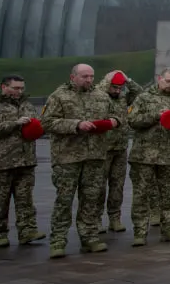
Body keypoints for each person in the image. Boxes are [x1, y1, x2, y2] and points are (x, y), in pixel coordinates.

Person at [42, 63, 119, 258]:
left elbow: (117, 115)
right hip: (68, 157)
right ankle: (58, 240)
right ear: (73, 77)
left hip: (95, 156)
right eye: (85, 76)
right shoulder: (58, 96)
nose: (89, 80)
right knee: (64, 200)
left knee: (91, 199)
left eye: (92, 76)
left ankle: (90, 237)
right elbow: (47, 122)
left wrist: (113, 121)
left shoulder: (101, 96)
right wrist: (76, 125)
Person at [127, 68, 170, 245]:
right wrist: (155, 116)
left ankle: (169, 229)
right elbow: (132, 121)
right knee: (141, 194)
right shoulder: (143, 98)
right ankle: (140, 232)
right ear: (159, 79)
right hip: (143, 156)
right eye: (168, 81)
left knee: (168, 194)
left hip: (169, 156)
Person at [0, 74, 45, 248]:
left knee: (26, 200)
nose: (19, 91)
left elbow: (37, 124)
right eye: (15, 88)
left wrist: (37, 128)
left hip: (25, 160)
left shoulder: (27, 105)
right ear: (4, 87)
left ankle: (27, 231)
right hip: (1, 163)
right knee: (1, 201)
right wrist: (15, 123)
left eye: (22, 88)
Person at [96, 70, 139, 234]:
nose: (117, 91)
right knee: (98, 186)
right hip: (102, 148)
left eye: (120, 88)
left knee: (117, 186)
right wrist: (106, 81)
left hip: (120, 148)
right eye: (114, 87)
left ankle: (114, 218)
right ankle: (96, 219)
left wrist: (128, 80)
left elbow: (138, 93)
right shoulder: (98, 95)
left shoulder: (122, 97)